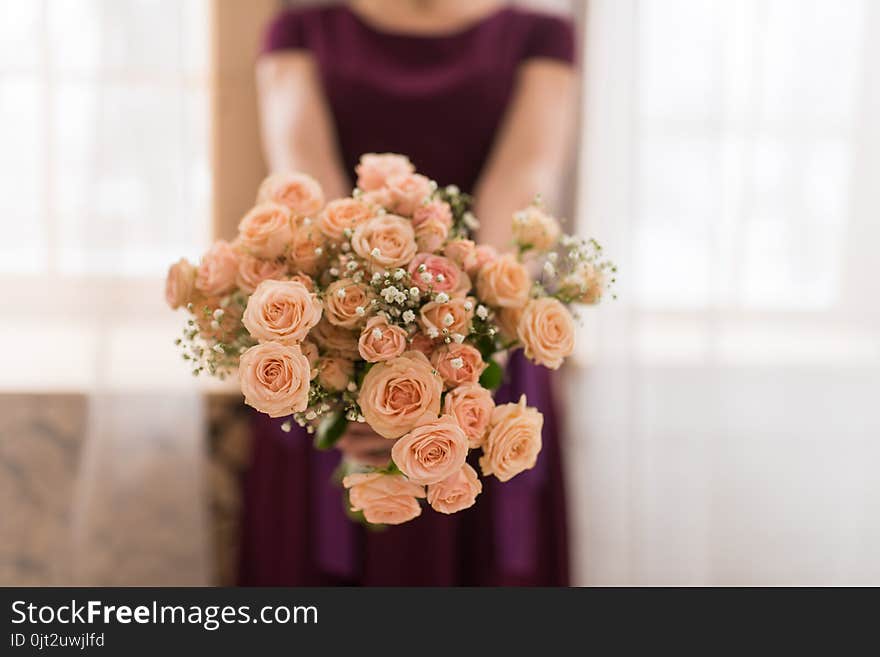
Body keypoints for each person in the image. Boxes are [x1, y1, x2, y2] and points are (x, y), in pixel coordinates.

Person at [239, 0, 577, 585]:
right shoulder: (301, 31)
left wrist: (465, 351)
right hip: (331, 336)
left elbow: (524, 179)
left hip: (486, 345)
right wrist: (344, 369)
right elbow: (306, 176)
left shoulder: (542, 36)